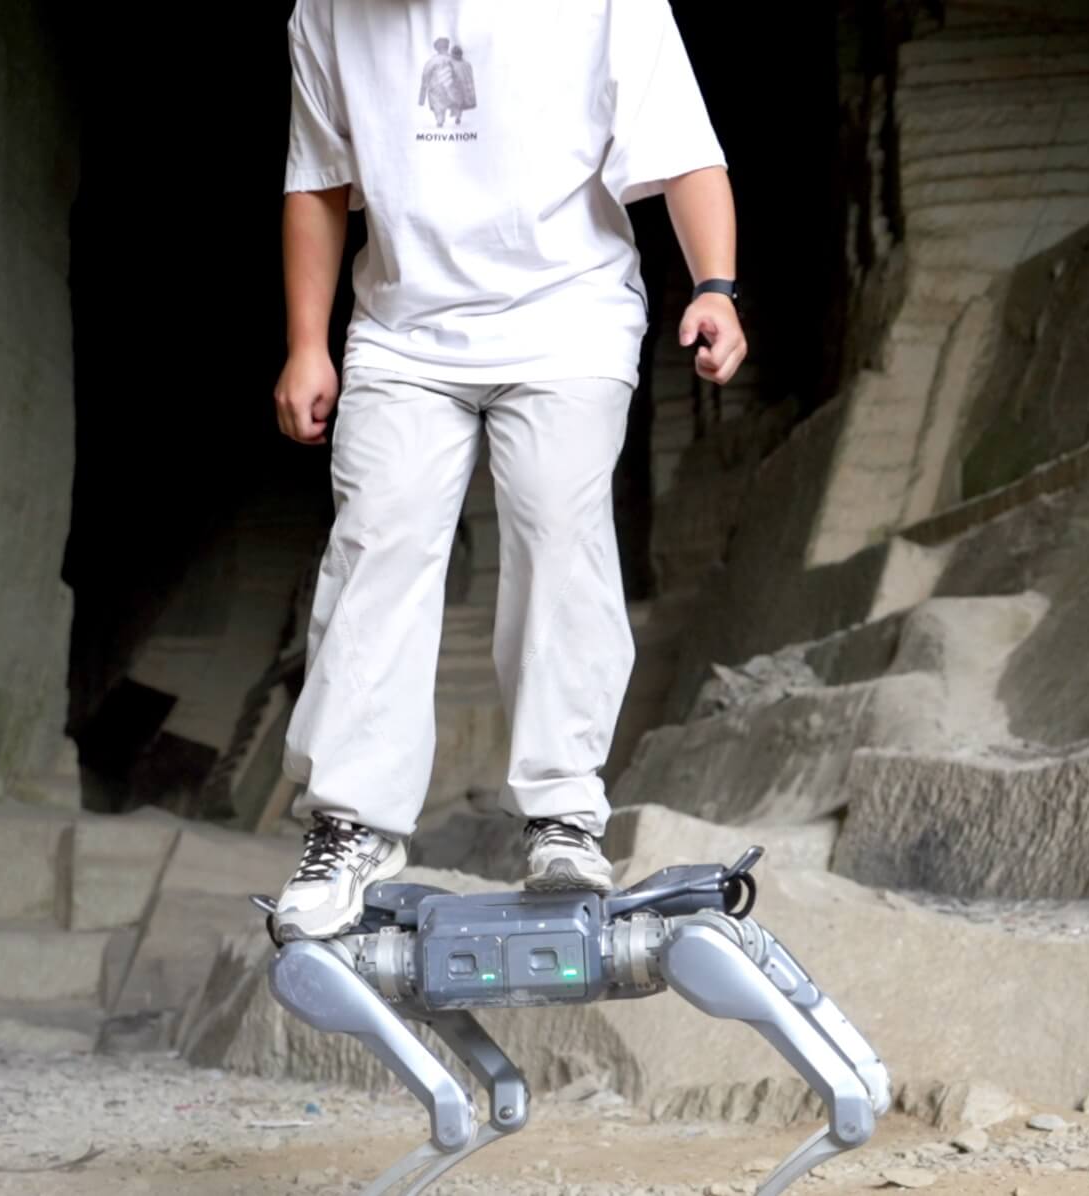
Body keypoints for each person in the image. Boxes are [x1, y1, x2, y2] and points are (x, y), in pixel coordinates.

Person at [272, 0, 745, 941]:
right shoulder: (327, 12)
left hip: (568, 318)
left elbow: (685, 149)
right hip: (404, 331)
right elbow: (319, 181)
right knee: (376, 545)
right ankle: (352, 825)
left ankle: (563, 814)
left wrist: (716, 288)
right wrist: (307, 344)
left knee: (557, 534)